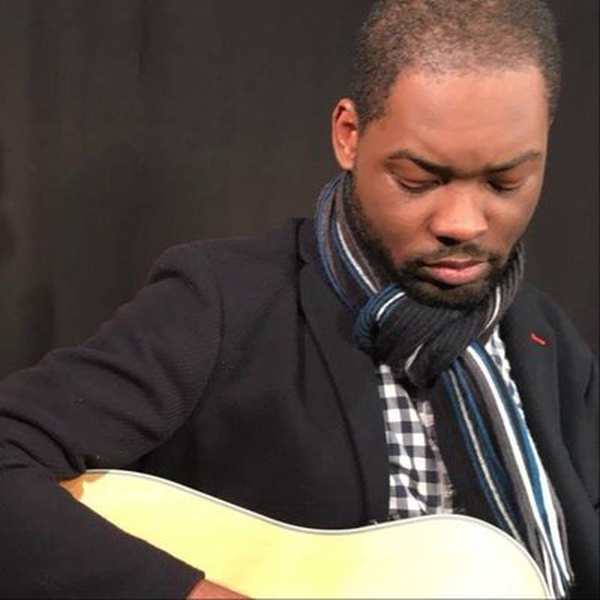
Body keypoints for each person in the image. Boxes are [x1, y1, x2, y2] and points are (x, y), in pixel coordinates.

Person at [0, 0, 597, 598]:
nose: (462, 222)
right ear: (349, 135)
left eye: (505, 182)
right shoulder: (223, 303)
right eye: (418, 180)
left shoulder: (546, 341)